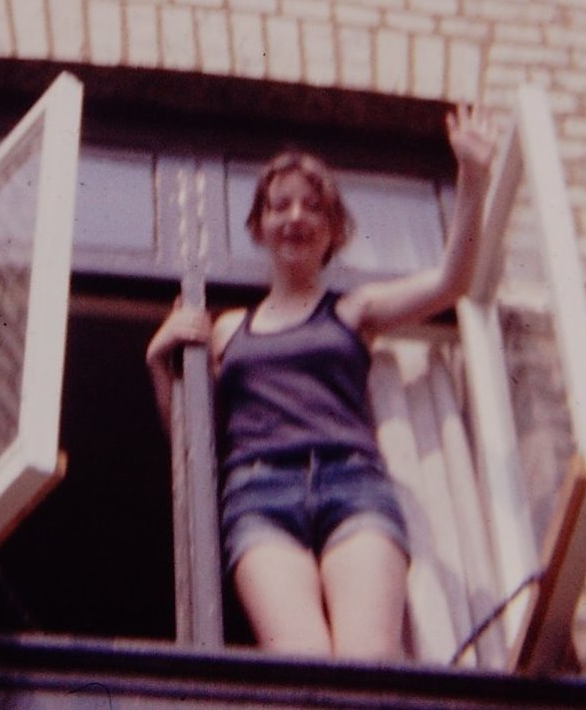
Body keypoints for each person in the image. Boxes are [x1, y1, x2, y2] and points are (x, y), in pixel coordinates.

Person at [144, 105, 501, 660]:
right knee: (301, 668)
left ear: (332, 231)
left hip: (352, 486)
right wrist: (157, 362)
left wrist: (473, 179)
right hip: (258, 496)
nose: (295, 216)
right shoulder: (227, 330)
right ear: (259, 227)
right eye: (279, 204)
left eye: (314, 207)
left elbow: (452, 281)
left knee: (366, 664)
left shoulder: (354, 310)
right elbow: (192, 449)